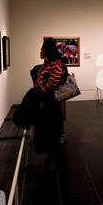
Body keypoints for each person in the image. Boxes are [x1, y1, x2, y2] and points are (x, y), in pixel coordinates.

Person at [33, 38, 68, 169]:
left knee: (53, 131)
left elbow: (53, 81)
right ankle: (51, 155)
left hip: (53, 104)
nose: (40, 51)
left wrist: (41, 92)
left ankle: (55, 158)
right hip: (46, 104)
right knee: (48, 131)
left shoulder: (56, 64)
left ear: (47, 50)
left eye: (42, 49)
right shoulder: (46, 64)